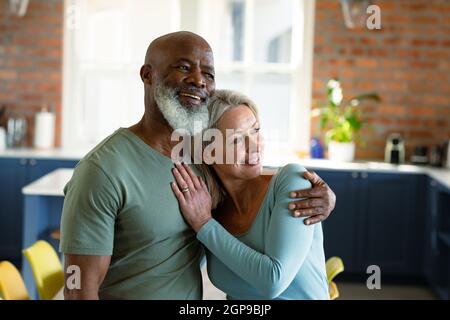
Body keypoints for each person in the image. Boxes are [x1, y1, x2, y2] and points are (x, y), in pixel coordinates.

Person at [60, 31, 336, 300]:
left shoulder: (201, 164)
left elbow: (255, 182)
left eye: (209, 74)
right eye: (183, 67)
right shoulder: (101, 170)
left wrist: (323, 197)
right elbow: (78, 290)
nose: (199, 81)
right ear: (147, 74)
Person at [171, 90, 329, 299]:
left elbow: (273, 280)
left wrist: (204, 225)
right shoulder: (208, 206)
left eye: (255, 130)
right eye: (236, 139)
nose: (255, 146)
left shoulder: (292, 180)